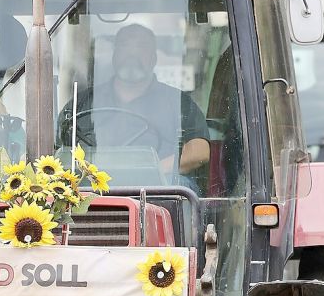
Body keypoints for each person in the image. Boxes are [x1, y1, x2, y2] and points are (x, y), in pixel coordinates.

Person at [58, 24, 210, 182]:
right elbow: (55, 152)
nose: (132, 53)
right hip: (90, 191)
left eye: (142, 46)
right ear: (114, 54)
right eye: (124, 45)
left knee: (182, 188)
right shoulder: (81, 103)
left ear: (154, 57)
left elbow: (200, 151)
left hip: (160, 191)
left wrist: (154, 169)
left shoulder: (178, 102)